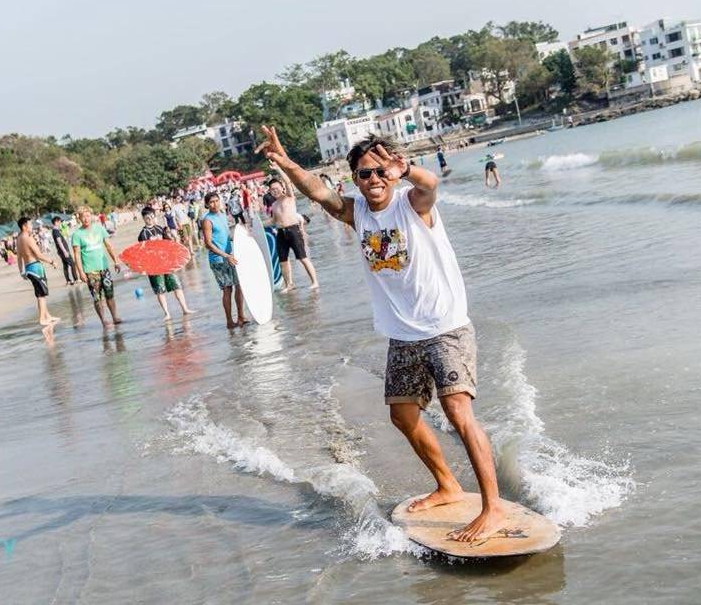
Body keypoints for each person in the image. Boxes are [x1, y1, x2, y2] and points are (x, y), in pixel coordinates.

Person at [255, 126, 505, 542]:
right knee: (402, 416)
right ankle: (448, 486)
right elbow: (318, 192)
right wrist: (286, 162)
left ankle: (492, 507)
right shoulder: (358, 213)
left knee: (459, 413)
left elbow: (430, 184)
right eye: (364, 174)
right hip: (403, 334)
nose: (373, 180)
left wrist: (404, 169)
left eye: (379, 171)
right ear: (354, 178)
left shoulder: (413, 204)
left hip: (444, 326)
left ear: (392, 171)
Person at [264, 164, 319, 292]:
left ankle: (314, 282)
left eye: (277, 188)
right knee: (283, 260)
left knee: (302, 258)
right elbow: (273, 220)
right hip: (281, 233)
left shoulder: (289, 197)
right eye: (272, 190)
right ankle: (289, 284)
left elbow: (288, 181)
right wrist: (257, 225)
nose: (275, 191)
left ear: (282, 188)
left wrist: (277, 168)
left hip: (293, 230)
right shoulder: (275, 204)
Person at [71, 206, 124, 328]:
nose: (86, 219)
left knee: (109, 294)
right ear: (79, 218)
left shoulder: (99, 229)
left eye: (88, 216)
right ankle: (104, 320)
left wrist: (115, 261)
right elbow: (77, 255)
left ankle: (115, 316)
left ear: (91, 216)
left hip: (103, 267)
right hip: (90, 270)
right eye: (83, 216)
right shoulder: (77, 235)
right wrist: (81, 272)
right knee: (97, 297)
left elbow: (108, 245)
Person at [138, 207, 194, 321]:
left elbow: (168, 243)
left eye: (152, 217)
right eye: (147, 218)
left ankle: (185, 308)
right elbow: (143, 251)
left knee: (177, 285)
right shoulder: (143, 234)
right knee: (160, 290)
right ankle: (167, 313)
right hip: (154, 266)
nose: (150, 219)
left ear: (154, 217)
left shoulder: (160, 228)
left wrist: (172, 238)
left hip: (166, 263)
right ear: (144, 218)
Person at [201, 192, 247, 328]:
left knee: (240, 286)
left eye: (217, 201)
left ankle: (241, 316)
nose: (215, 204)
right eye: (211, 202)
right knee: (227, 289)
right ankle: (229, 321)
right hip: (218, 260)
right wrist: (225, 256)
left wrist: (242, 238)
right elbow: (208, 243)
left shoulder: (222, 216)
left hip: (230, 257)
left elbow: (226, 236)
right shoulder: (207, 220)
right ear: (207, 205)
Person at [16, 216, 60, 328]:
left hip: (28, 268)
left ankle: (47, 315)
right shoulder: (28, 238)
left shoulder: (19, 238)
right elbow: (38, 255)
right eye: (30, 225)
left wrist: (21, 271)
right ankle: (42, 319)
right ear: (24, 226)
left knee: (40, 293)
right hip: (36, 267)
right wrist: (52, 261)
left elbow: (19, 256)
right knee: (41, 295)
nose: (32, 226)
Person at [51, 216, 78, 285]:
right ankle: (76, 279)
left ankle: (68, 280)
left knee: (65, 265)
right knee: (72, 264)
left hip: (61, 251)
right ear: (56, 222)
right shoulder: (56, 231)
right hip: (63, 251)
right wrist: (65, 251)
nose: (60, 223)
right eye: (60, 222)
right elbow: (59, 242)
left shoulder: (55, 231)